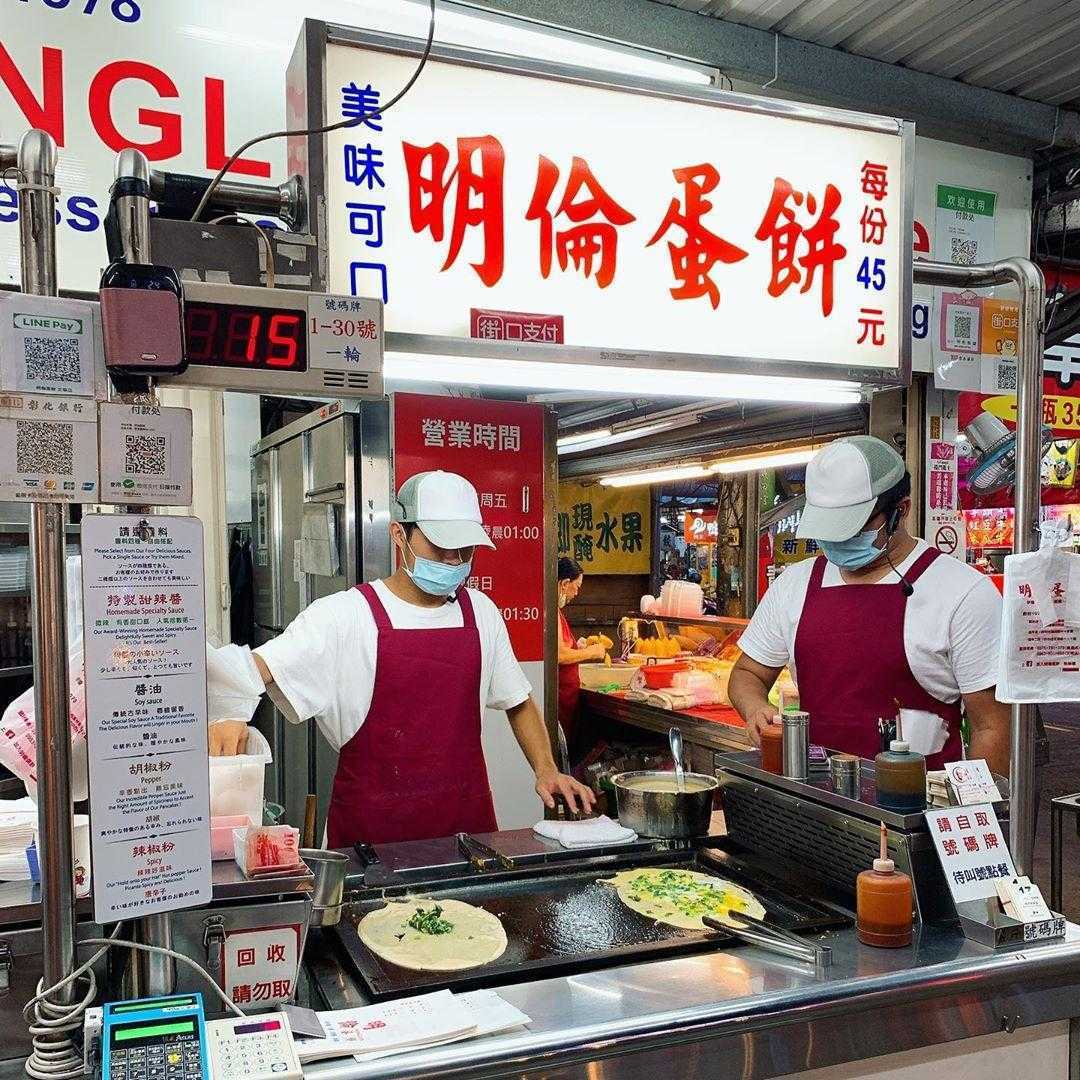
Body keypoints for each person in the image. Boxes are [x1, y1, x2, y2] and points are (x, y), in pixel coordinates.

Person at [209, 470, 594, 846]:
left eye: (465, 549)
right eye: (439, 545)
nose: (453, 559)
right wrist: (229, 710)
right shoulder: (344, 615)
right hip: (371, 841)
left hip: (466, 832)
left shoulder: (481, 612)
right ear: (399, 534)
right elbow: (252, 670)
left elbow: (518, 700)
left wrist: (547, 769)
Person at [728, 436, 1010, 775]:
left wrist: (981, 811)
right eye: (829, 528)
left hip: (920, 810)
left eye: (853, 527)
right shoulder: (794, 584)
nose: (838, 541)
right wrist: (756, 707)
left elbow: (992, 727)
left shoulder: (964, 593)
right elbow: (747, 673)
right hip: (817, 796)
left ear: (900, 511)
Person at [555, 557, 606, 747]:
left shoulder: (556, 611)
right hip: (560, 699)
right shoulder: (550, 610)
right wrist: (593, 652)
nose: (576, 593)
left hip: (568, 696)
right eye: (576, 586)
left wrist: (580, 646)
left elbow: (563, 648)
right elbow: (559, 655)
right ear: (564, 583)